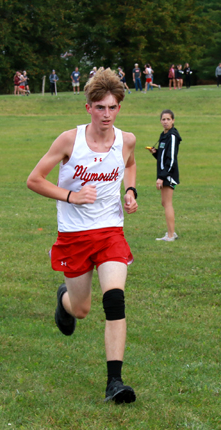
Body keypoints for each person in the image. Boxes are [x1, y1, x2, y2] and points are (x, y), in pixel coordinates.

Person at [26, 67, 139, 404]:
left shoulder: (126, 140)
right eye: (100, 107)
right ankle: (65, 300)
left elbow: (130, 164)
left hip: (110, 231)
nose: (106, 114)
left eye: (112, 107)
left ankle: (115, 382)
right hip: (74, 235)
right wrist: (72, 196)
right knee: (81, 309)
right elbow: (34, 179)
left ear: (119, 108)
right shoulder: (69, 140)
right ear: (88, 107)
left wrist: (130, 190)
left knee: (114, 299)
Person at [149, 109, 182, 242]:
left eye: (168, 119)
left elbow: (171, 159)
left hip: (168, 175)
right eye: (163, 119)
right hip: (164, 173)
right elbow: (163, 157)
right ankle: (170, 232)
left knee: (167, 203)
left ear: (173, 120)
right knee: (164, 203)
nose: (166, 122)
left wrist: (162, 177)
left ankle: (171, 235)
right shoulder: (163, 135)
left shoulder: (172, 136)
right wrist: (155, 153)